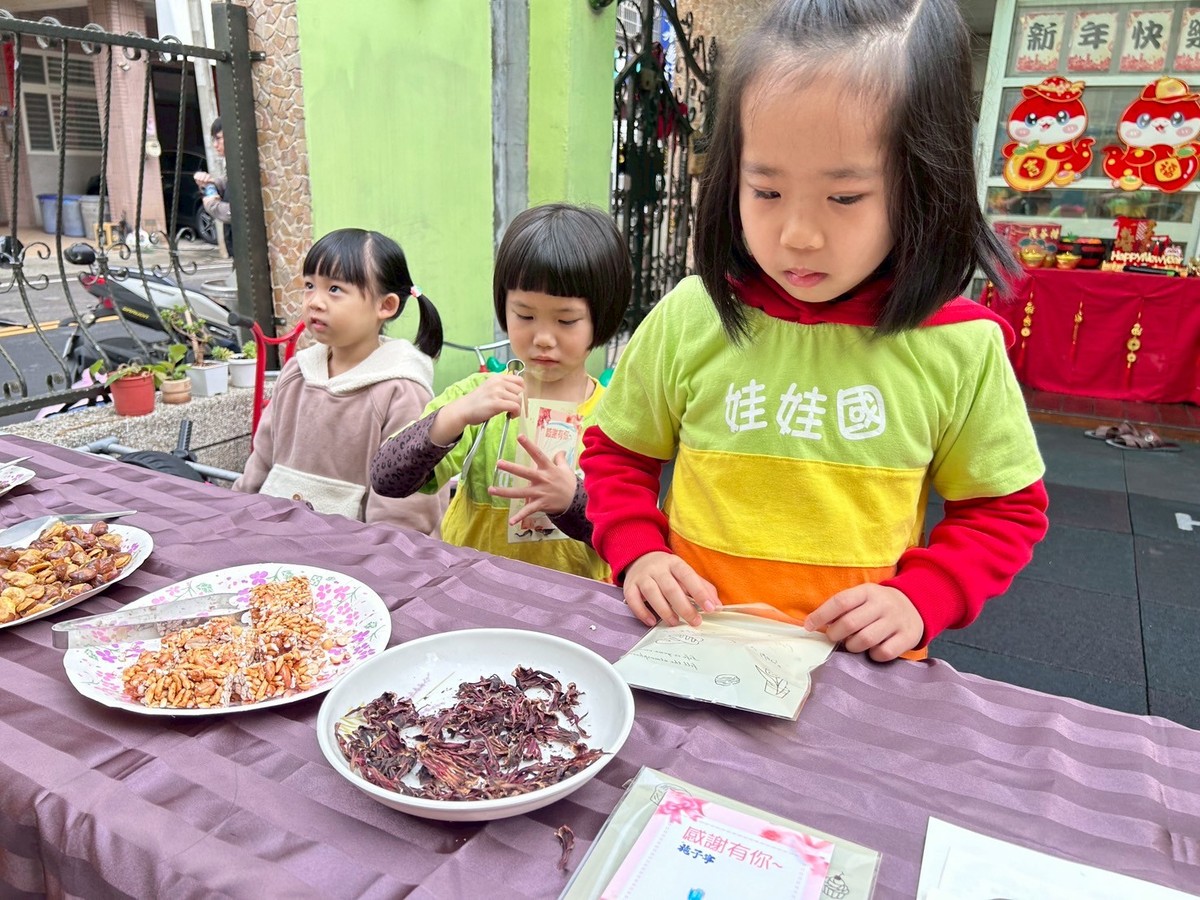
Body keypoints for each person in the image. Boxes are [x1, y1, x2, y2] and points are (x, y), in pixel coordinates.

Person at [579, 0, 1049, 662]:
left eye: (845, 197)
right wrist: (639, 551)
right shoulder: (692, 317)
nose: (798, 235)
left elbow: (1004, 510)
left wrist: (923, 596)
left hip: (851, 670)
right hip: (686, 649)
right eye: (766, 191)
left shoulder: (959, 347)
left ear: (926, 183)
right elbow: (618, 453)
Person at [371, 203, 631, 579]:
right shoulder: (477, 398)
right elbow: (386, 480)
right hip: (471, 589)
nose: (543, 338)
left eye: (566, 320)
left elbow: (628, 535)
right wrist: (454, 417)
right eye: (525, 315)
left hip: (568, 601)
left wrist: (571, 501)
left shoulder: (616, 419)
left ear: (602, 318)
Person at [233, 228, 447, 534]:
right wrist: (235, 517)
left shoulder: (401, 391)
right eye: (309, 286)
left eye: (334, 289)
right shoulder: (296, 373)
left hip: (356, 557)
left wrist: (384, 558)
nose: (314, 302)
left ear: (386, 306)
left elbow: (402, 515)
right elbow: (260, 463)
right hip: (274, 542)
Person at [194, 118, 232, 247]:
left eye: (218, 138)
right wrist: (209, 183)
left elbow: (237, 212)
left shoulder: (242, 165)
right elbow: (228, 184)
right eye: (213, 140)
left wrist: (212, 205)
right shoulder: (232, 165)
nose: (215, 145)